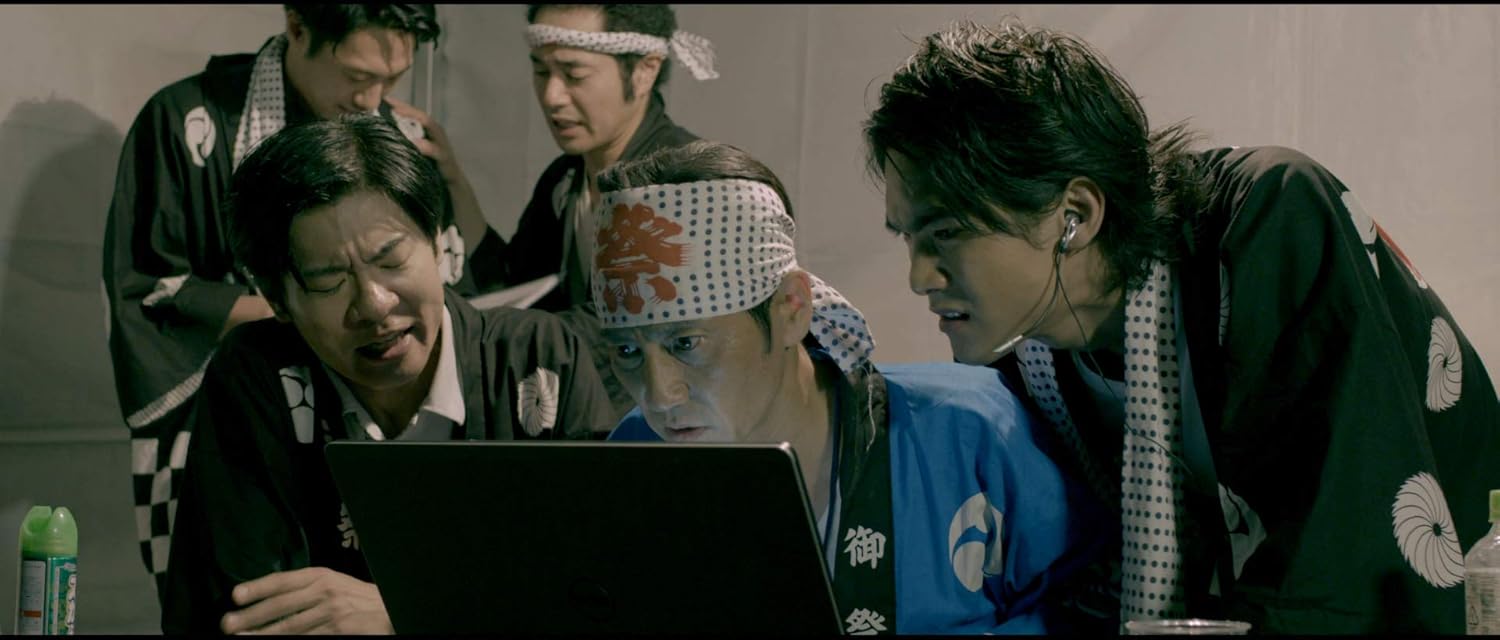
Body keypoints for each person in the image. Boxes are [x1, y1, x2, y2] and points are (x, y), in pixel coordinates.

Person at [863, 17, 1500, 634]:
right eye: (908, 238)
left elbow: (1341, 570)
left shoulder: (1270, 220)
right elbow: (1067, 575)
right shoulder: (1026, 354)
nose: (919, 277)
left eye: (947, 232)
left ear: (1075, 215)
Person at [593, 140, 1110, 634]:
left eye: (686, 343)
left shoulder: (966, 431)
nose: (659, 395)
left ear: (791, 310)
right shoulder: (635, 456)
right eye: (627, 353)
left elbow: (1095, 599)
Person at [159, 115, 615, 635]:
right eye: (330, 280)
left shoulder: (538, 359)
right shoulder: (260, 378)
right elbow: (246, 612)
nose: (374, 305)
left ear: (438, 244)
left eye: (391, 259)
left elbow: (602, 594)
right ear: (277, 299)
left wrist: (407, 611)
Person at [103, 4, 492, 592]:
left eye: (391, 79)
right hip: (228, 420)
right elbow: (148, 285)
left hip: (363, 421)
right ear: (297, 27)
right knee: (237, 593)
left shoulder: (399, 136)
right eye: (358, 75)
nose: (371, 99)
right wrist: (302, 312)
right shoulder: (187, 122)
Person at [464, 4, 718, 425]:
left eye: (574, 75)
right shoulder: (565, 179)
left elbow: (621, 332)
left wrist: (471, 334)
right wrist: (454, 185)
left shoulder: (683, 184)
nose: (552, 96)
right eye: (541, 72)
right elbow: (520, 288)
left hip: (665, 423)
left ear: (645, 70)